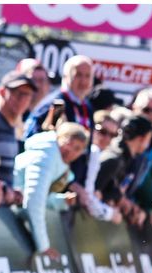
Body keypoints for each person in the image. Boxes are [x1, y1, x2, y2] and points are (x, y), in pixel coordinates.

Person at [13, 121, 91, 261]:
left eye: (77, 148)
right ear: (59, 138)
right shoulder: (47, 155)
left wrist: (61, 201)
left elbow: (36, 196)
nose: (70, 150)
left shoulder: (56, 158)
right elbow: (33, 202)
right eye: (68, 142)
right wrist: (44, 246)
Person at [29, 55, 94, 183]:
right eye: (78, 75)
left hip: (75, 181)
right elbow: (35, 138)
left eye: (88, 76)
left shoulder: (88, 107)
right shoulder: (55, 103)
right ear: (66, 76)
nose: (83, 81)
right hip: (50, 178)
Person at [0, 72, 36, 188]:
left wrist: (12, 192)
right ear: (3, 92)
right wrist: (3, 190)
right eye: (18, 93)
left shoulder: (11, 125)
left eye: (27, 95)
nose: (22, 99)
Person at [96, 113, 152, 226]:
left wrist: (121, 200)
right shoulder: (114, 159)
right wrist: (110, 207)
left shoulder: (129, 160)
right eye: (148, 139)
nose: (147, 145)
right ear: (141, 139)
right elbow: (95, 192)